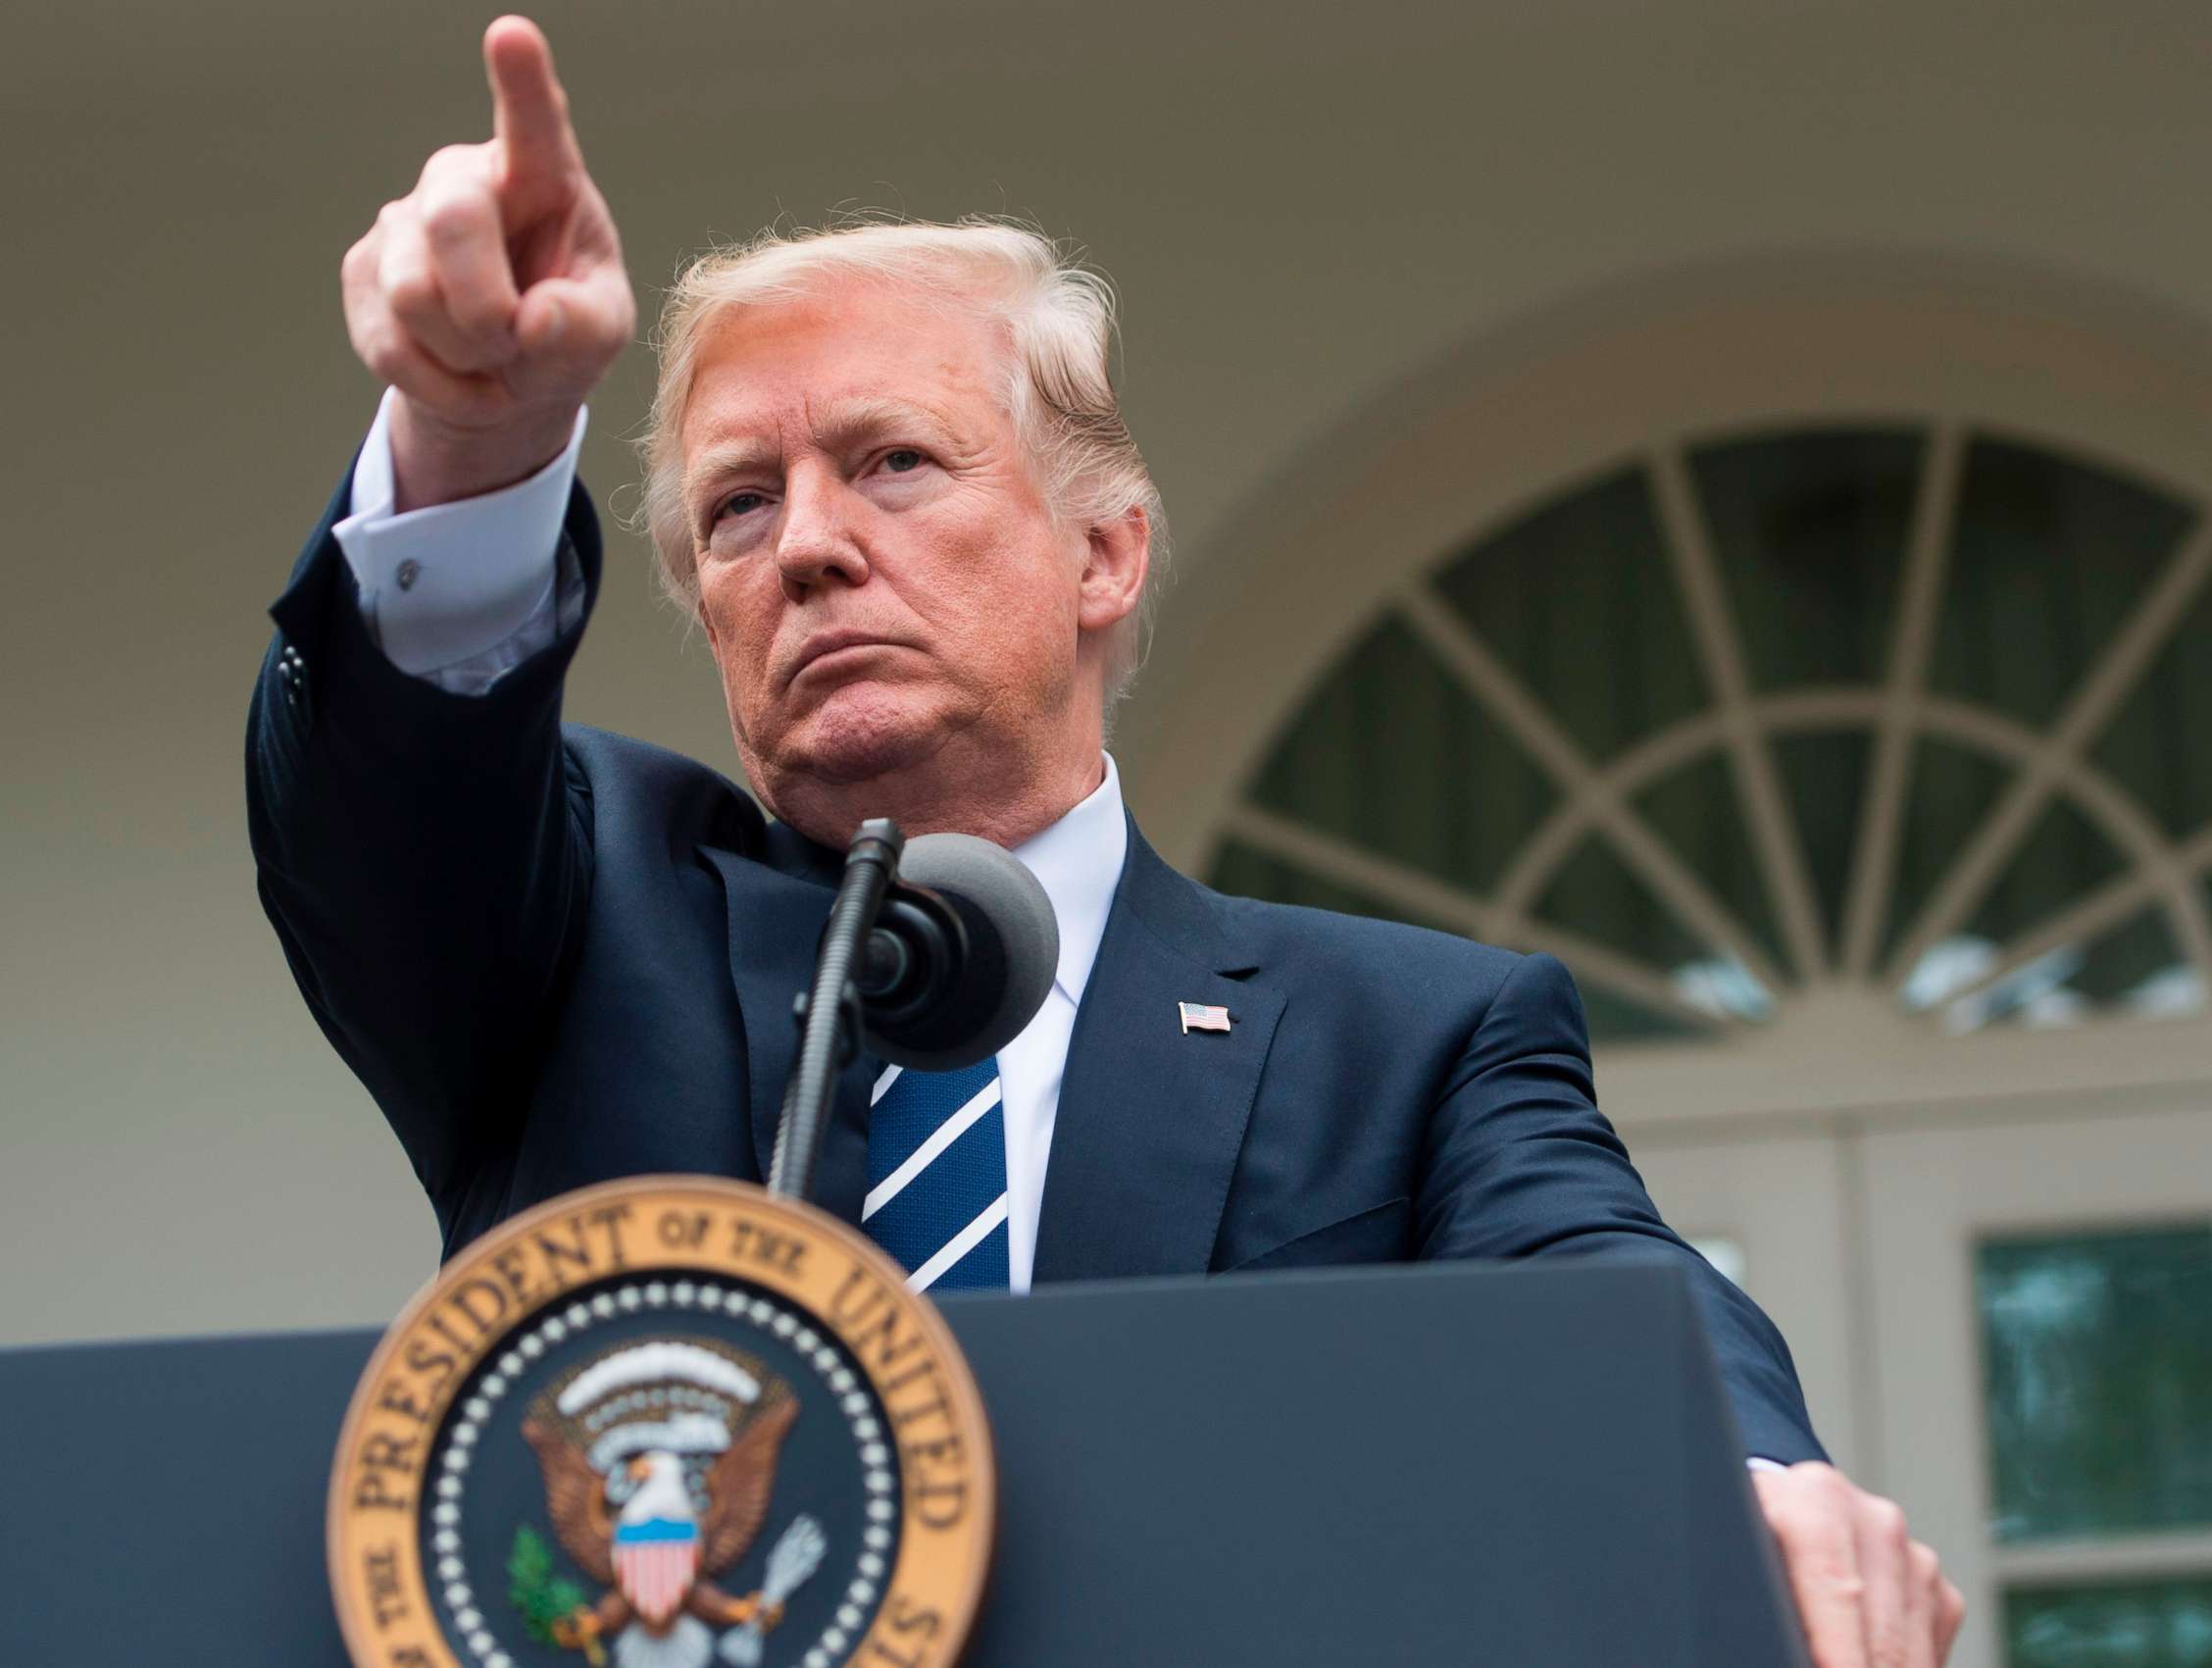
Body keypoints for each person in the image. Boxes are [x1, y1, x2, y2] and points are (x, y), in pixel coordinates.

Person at [246, 18, 1965, 1665]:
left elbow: (1605, 1281)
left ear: (1107, 554)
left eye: (893, 463)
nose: (811, 549)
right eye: (739, 507)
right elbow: (390, 792)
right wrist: (476, 441)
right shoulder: (580, 923)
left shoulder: (1410, 1038)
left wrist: (1744, 1473)